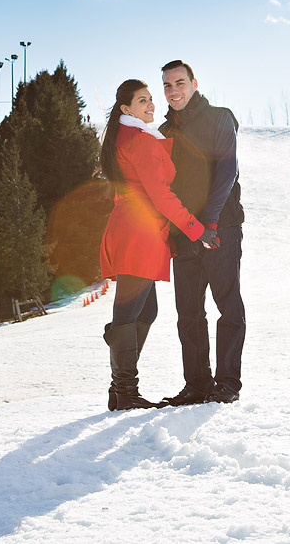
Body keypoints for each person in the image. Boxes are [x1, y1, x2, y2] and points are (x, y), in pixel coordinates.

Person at [99, 79, 217, 411]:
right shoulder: (140, 141)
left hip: (134, 230)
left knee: (144, 311)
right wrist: (196, 229)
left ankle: (120, 388)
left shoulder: (126, 137)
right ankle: (124, 391)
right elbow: (162, 196)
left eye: (151, 99)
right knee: (128, 312)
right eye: (142, 101)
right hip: (139, 233)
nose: (151, 105)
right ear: (126, 109)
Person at [159, 60, 245, 405]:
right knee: (189, 313)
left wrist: (208, 223)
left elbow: (227, 170)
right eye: (167, 85)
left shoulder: (219, 117)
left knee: (228, 307)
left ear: (194, 83)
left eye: (179, 82)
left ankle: (227, 384)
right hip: (183, 233)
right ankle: (197, 385)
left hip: (219, 228)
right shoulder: (165, 131)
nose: (173, 90)